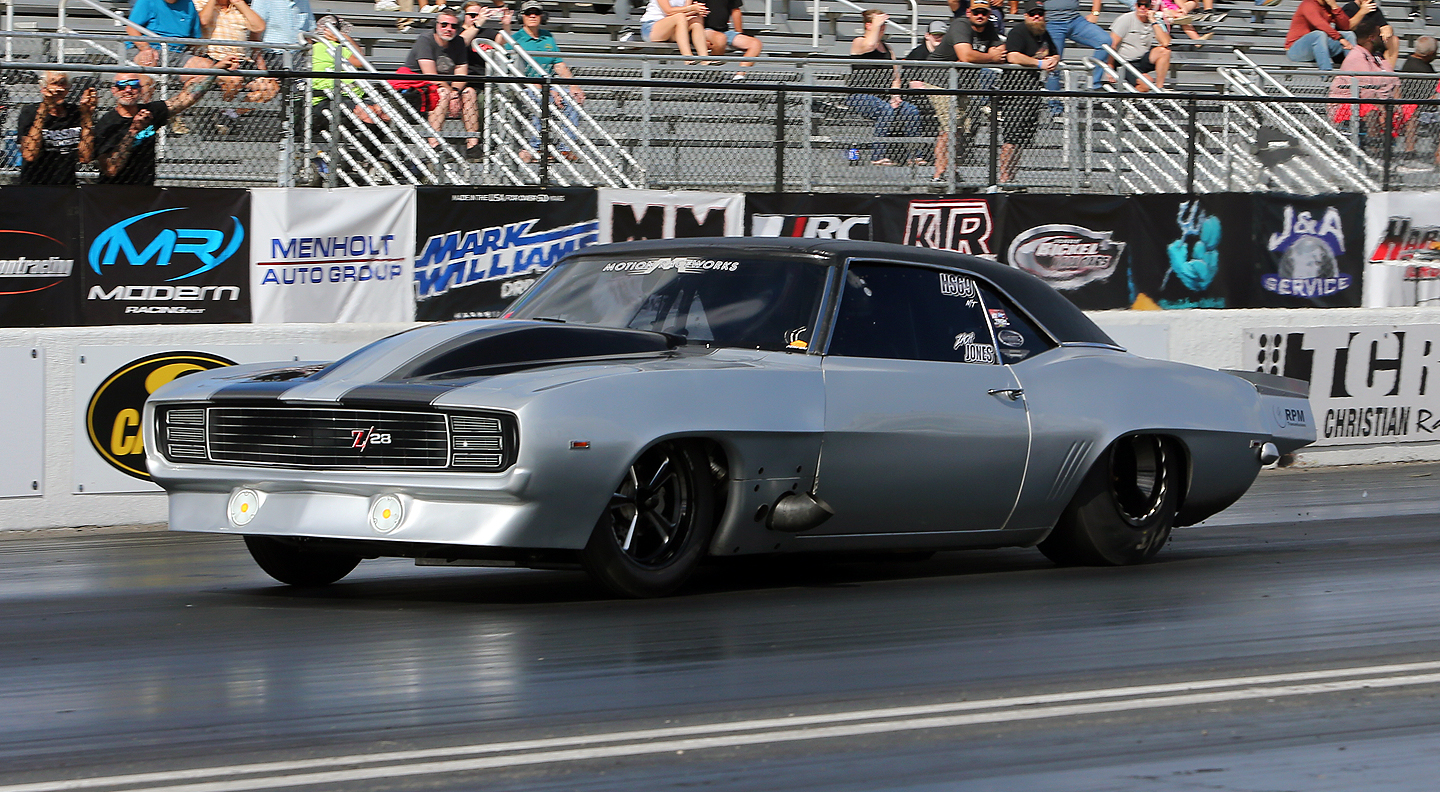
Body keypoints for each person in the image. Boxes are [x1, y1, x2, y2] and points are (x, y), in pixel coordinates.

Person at [94, 60, 237, 185]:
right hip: (113, 191)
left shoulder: (151, 112)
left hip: (145, 189)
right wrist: (133, 131)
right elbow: (111, 169)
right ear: (114, 90)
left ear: (140, 89)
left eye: (134, 84)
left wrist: (216, 69)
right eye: (122, 85)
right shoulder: (107, 123)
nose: (128, 90)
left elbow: (187, 97)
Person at [393, 7, 481, 158]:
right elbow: (431, 76)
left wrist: (455, 93)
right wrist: (452, 94)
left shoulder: (458, 42)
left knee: (470, 92)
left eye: (453, 26)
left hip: (445, 89)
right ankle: (434, 143)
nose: (449, 29)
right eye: (444, 25)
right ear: (436, 25)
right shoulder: (425, 40)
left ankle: (472, 145)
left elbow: (461, 72)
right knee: (442, 92)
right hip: (417, 91)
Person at [512, 0, 585, 163]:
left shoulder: (547, 37)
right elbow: (518, 74)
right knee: (542, 98)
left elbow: (558, 64)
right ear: (522, 16)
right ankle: (536, 147)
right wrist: (548, 90)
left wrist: (574, 86)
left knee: (573, 98)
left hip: (547, 85)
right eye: (528, 13)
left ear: (542, 16)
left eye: (536, 13)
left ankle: (565, 148)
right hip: (525, 86)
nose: (532, 16)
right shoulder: (515, 39)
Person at [850, 9, 923, 166]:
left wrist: (895, 95)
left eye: (884, 25)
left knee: (911, 111)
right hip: (860, 95)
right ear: (869, 25)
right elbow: (870, 45)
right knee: (885, 110)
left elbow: (896, 77)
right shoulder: (859, 42)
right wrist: (876, 24)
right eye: (879, 24)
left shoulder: (888, 49)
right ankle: (878, 156)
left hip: (883, 96)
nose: (883, 27)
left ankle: (915, 155)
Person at [931, 0, 1004, 155]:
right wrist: (990, 57)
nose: (980, 15)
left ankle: (954, 166)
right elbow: (966, 55)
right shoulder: (960, 25)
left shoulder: (989, 28)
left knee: (964, 128)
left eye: (984, 12)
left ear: (989, 14)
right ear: (969, 12)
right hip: (940, 81)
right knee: (950, 127)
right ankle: (941, 169)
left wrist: (981, 57)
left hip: (963, 84)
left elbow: (1001, 51)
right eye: (976, 12)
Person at [1001, 2, 1057, 184]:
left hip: (1033, 91)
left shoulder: (1043, 33)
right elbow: (1012, 56)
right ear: (1026, 16)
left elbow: (1055, 52)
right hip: (1015, 91)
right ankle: (1003, 178)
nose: (1037, 17)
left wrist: (1053, 59)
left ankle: (1011, 177)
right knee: (1011, 137)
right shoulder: (1018, 32)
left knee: (1021, 139)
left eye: (1040, 13)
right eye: (1033, 14)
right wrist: (1040, 64)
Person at [1329, 18, 1405, 150]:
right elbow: (1367, 92)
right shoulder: (1356, 57)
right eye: (1379, 36)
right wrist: (1383, 109)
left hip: (1380, 103)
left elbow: (1395, 81)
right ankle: (1374, 151)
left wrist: (1398, 105)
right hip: (1349, 105)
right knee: (1372, 110)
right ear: (1372, 38)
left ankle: (1409, 153)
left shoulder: (1377, 58)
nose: (1382, 39)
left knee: (1410, 109)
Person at [16, 71, 97, 185]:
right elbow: (29, 155)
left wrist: (87, 116)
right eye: (54, 83)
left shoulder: (75, 113)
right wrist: (42, 113)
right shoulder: (30, 112)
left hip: (66, 184)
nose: (59, 88)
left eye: (62, 83)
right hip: (35, 184)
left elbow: (85, 157)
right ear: (44, 88)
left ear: (68, 88)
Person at [198, 0, 274, 110]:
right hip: (213, 59)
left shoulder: (239, 7)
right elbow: (203, 21)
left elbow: (259, 27)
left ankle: (232, 114)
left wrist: (238, 2)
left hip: (241, 61)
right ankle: (220, 110)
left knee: (270, 87)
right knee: (234, 80)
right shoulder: (201, 3)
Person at [904, 20, 955, 181]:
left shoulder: (949, 54)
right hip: (918, 98)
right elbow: (913, 82)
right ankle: (917, 155)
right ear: (927, 36)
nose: (938, 38)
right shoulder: (918, 54)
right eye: (935, 35)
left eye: (942, 35)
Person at [1042, 0, 1109, 89]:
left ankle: (1093, 84)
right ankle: (1052, 96)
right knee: (1052, 63)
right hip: (1051, 21)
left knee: (1104, 41)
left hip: (1075, 19)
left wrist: (1095, 13)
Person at [1109, 0, 1171, 91]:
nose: (1142, 8)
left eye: (1146, 5)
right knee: (1146, 84)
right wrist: (1110, 68)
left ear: (1151, 7)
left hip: (1142, 59)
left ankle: (1159, 88)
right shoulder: (1126, 19)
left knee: (1164, 51)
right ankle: (1133, 97)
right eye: (1140, 5)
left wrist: (1153, 21)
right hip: (1125, 62)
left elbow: (1165, 42)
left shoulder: (1155, 20)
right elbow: (1112, 44)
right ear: (1135, 5)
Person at [1285, 0, 1355, 72]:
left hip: (1319, 49)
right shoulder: (1308, 4)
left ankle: (1353, 71)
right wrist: (1340, 38)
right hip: (1296, 51)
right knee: (1319, 34)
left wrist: (1335, 7)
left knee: (1349, 35)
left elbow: (1345, 26)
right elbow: (1319, 24)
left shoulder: (1328, 7)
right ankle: (1326, 73)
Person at [703, 0, 762, 78]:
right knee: (720, 39)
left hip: (724, 31)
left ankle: (740, 74)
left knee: (755, 44)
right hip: (703, 30)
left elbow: (735, 11)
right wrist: (701, 39)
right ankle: (712, 72)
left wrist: (739, 33)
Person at [641, 0, 711, 61]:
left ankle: (704, 58)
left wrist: (697, 10)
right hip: (652, 28)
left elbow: (686, 13)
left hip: (674, 28)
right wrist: (692, 8)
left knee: (696, 21)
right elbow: (668, 11)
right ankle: (688, 57)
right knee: (679, 17)